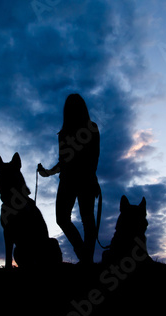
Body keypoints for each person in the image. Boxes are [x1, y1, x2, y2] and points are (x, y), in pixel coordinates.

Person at [38, 94, 100, 265]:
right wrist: (49, 172)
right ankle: (85, 256)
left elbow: (94, 157)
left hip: (82, 179)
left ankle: (86, 259)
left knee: (86, 219)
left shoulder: (91, 128)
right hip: (70, 180)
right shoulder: (64, 133)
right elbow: (64, 161)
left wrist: (91, 178)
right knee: (64, 218)